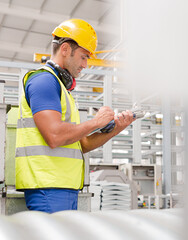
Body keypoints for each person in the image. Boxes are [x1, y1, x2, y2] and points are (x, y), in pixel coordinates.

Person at [15, 19, 134, 213]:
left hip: (63, 188)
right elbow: (54, 136)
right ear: (65, 49)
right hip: (48, 188)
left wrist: (116, 128)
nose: (86, 65)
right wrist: (96, 122)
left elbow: (83, 144)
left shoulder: (61, 89)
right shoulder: (44, 81)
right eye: (83, 57)